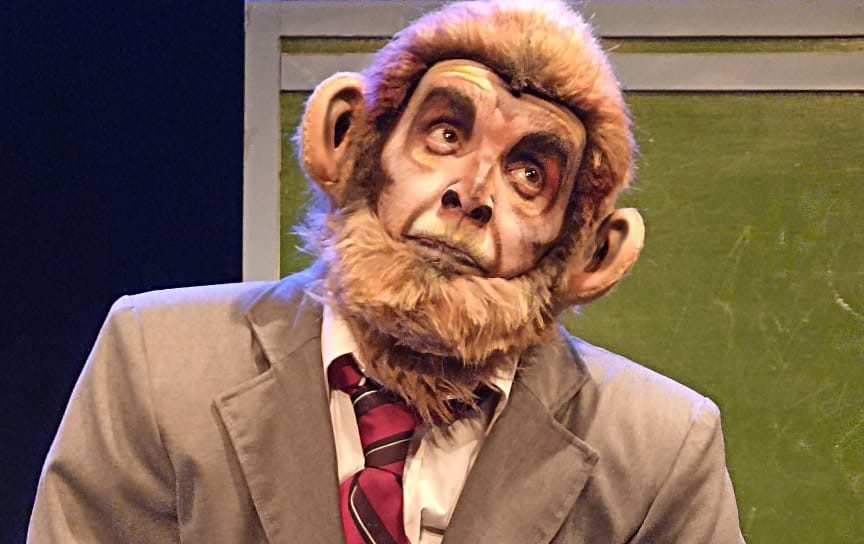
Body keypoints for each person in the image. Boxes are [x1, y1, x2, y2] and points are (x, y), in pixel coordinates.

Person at [29, 1, 745, 542]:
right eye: (446, 134)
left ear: (589, 253)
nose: (472, 192)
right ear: (348, 143)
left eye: (530, 174)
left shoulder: (658, 448)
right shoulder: (159, 362)